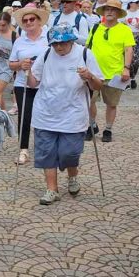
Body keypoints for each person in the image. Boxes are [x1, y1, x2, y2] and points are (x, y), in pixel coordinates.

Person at [27, 25, 103, 205]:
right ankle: (52, 189)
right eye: (55, 44)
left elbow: (98, 85)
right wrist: (26, 71)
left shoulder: (85, 54)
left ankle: (72, 176)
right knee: (46, 153)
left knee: (69, 153)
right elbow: (33, 83)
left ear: (71, 41)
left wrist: (89, 76)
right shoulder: (46, 54)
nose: (58, 47)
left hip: (73, 114)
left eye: (62, 43)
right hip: (45, 112)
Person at [86, 0, 135, 143]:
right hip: (94, 73)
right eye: (107, 9)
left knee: (112, 104)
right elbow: (87, 48)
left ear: (118, 13)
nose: (109, 12)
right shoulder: (95, 28)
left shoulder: (124, 30)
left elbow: (129, 49)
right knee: (89, 101)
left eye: (113, 10)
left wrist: (126, 68)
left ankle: (108, 129)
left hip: (114, 73)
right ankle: (92, 125)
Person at [9, 6, 50, 165]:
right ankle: (23, 149)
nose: (28, 22)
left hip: (45, 84)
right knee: (24, 117)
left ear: (39, 21)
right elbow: (11, 64)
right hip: (23, 83)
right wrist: (21, 64)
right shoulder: (19, 41)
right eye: (25, 20)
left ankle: (45, 146)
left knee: (45, 116)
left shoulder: (48, 37)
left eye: (32, 19)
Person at [121, 0, 139, 89]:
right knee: (126, 58)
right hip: (126, 36)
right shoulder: (124, 13)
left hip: (137, 36)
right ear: (130, 3)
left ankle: (133, 77)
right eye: (137, 2)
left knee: (136, 60)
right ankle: (127, 80)